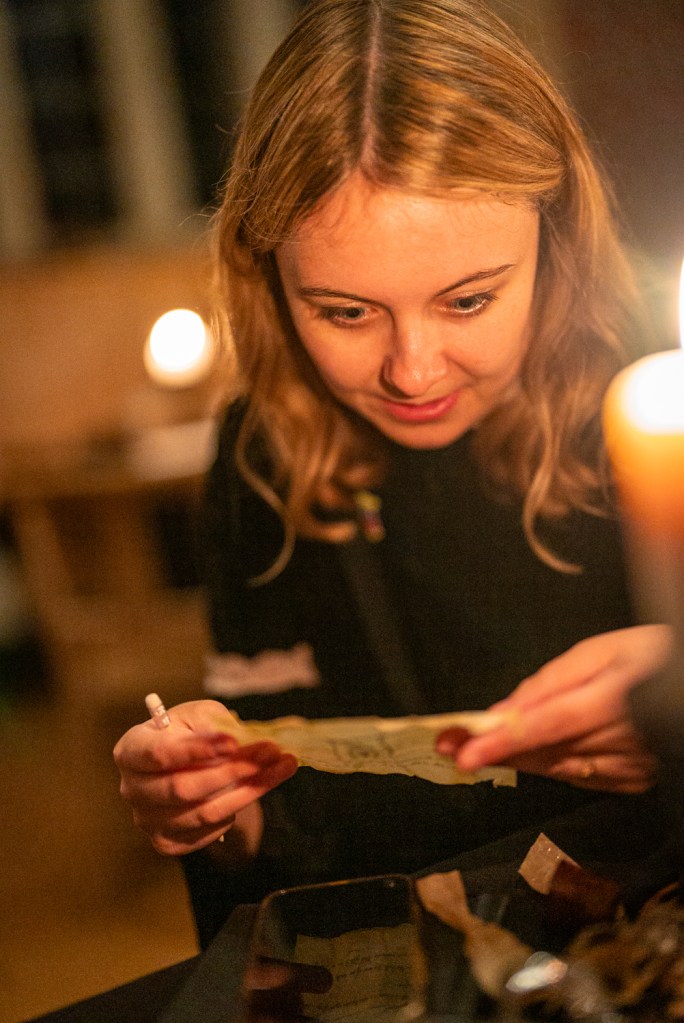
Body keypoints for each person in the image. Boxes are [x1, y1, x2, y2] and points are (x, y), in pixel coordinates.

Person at [114, 0, 680, 950]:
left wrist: (676, 689)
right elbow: (288, 826)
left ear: (554, 240)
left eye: (468, 300)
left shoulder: (660, 394)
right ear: (268, 275)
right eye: (346, 312)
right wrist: (216, 806)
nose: (412, 372)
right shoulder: (263, 455)